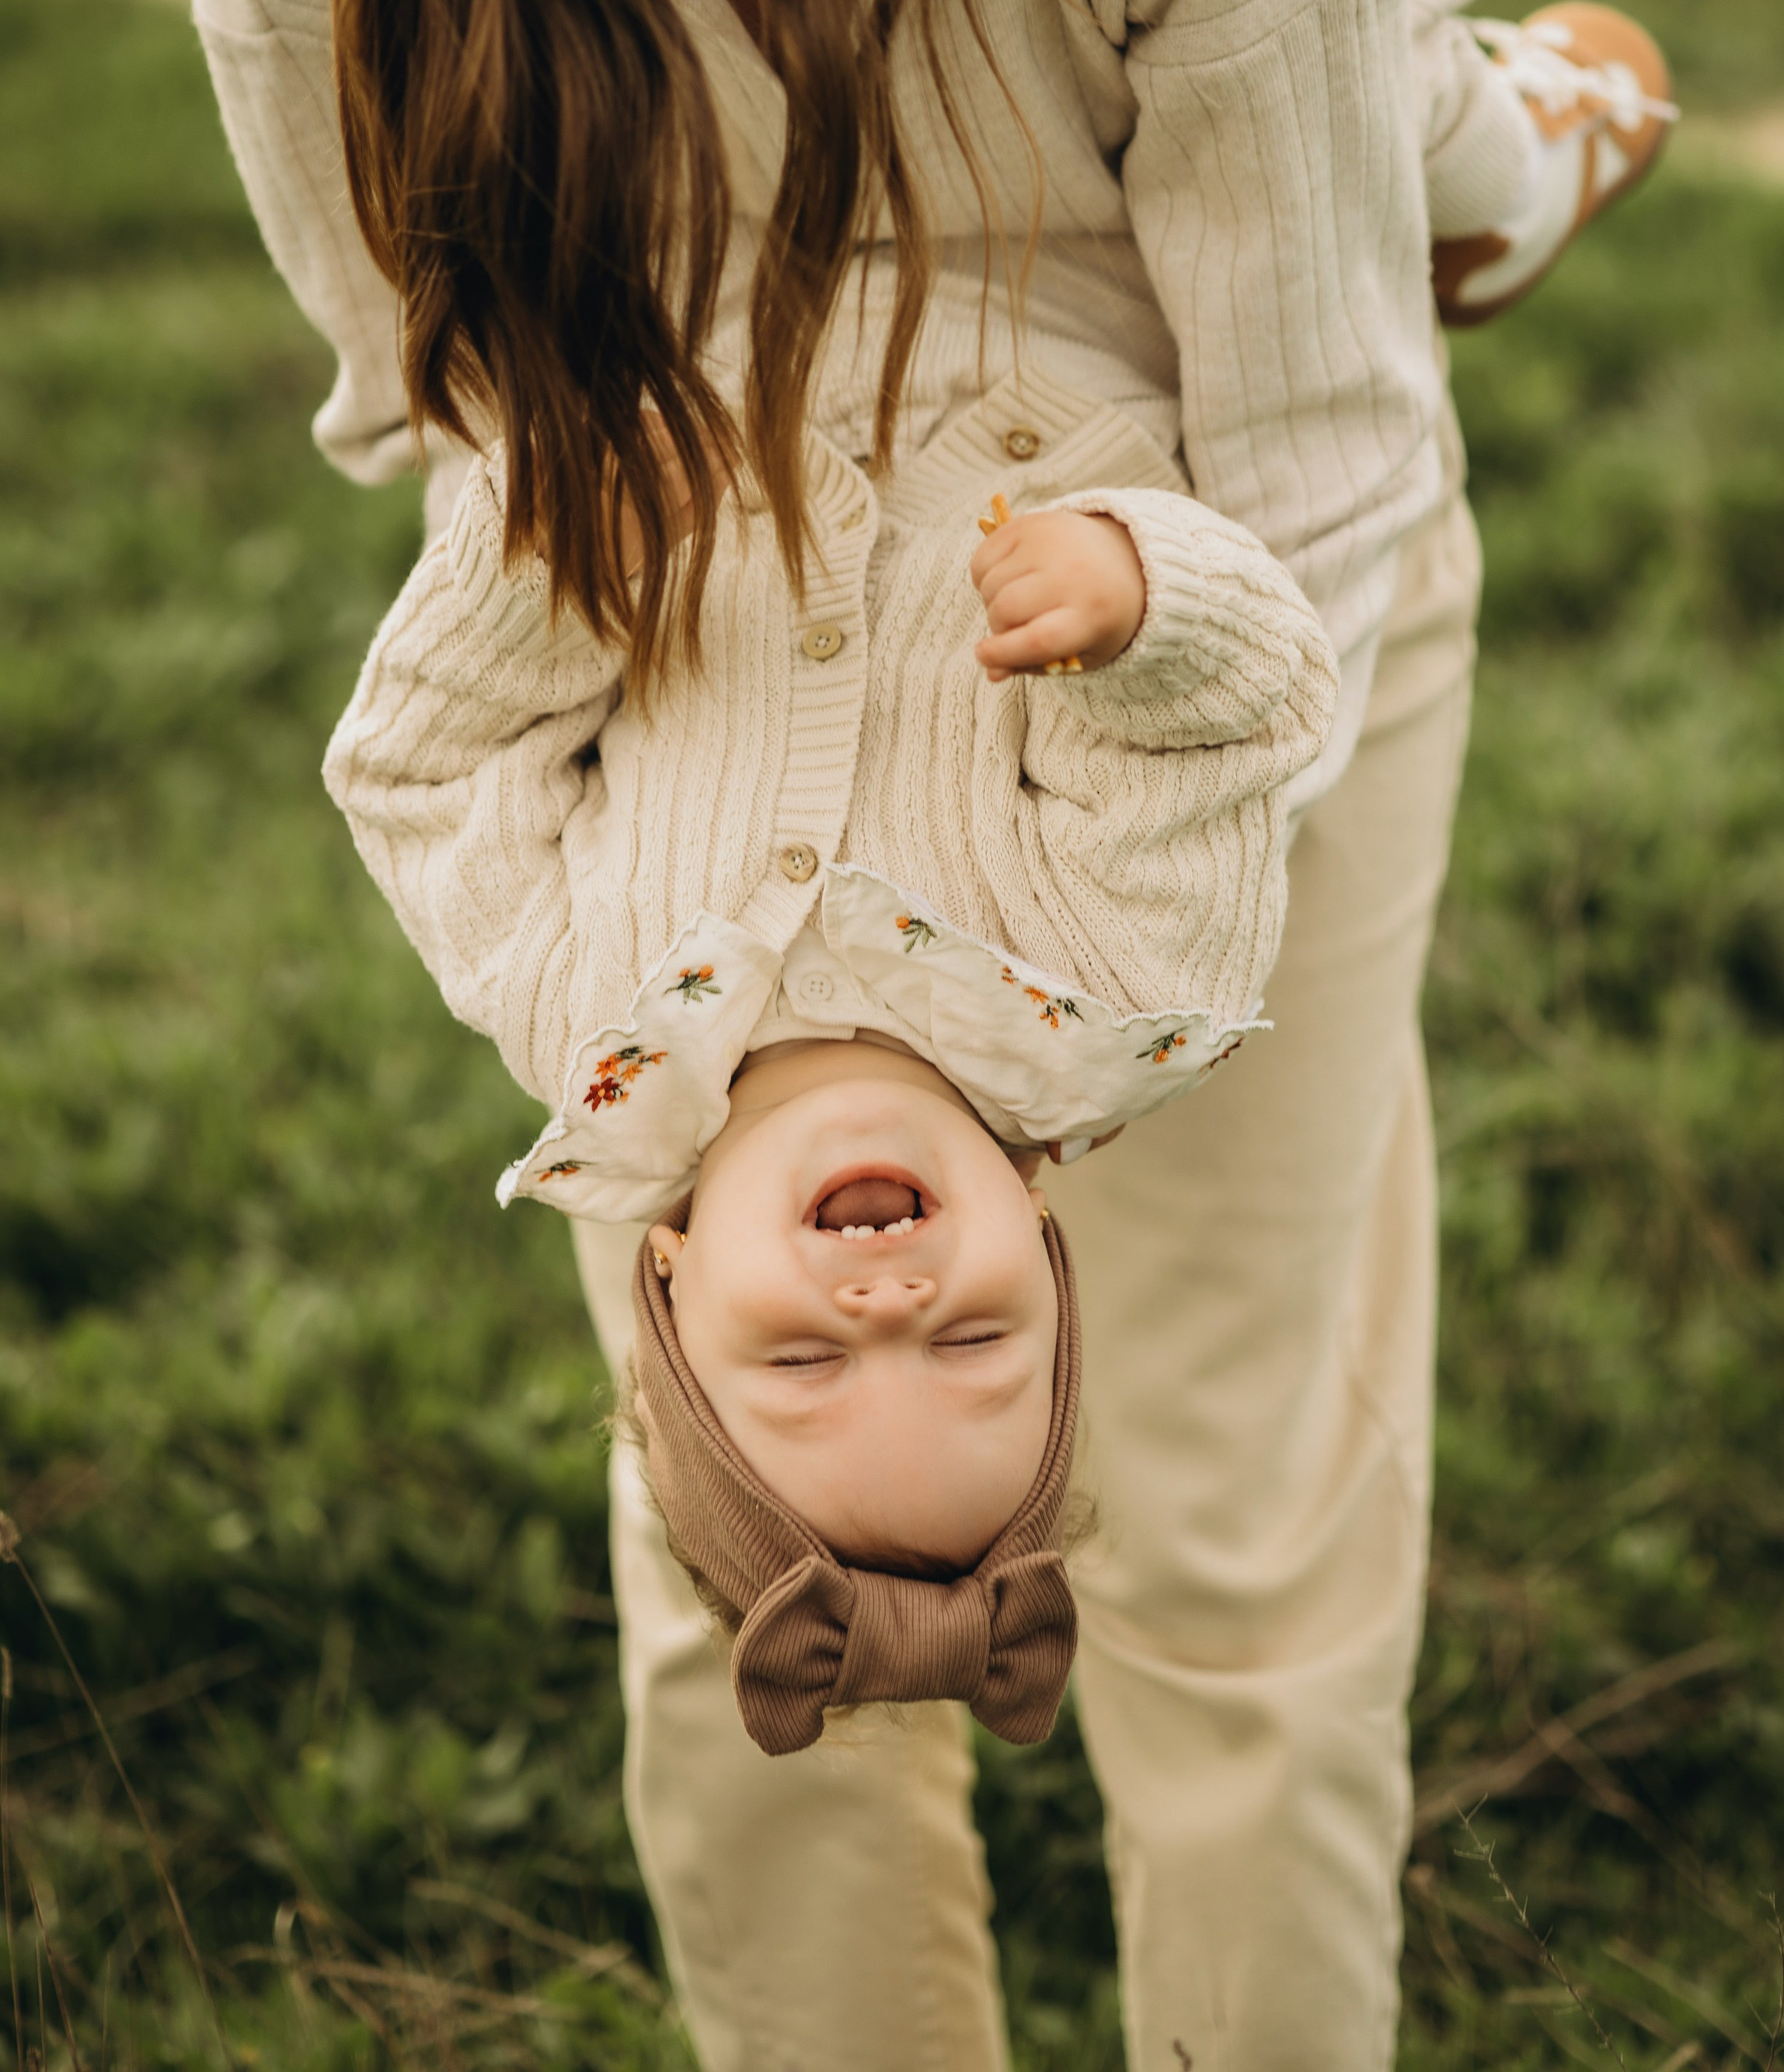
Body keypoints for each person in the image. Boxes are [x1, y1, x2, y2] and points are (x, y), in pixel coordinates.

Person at [162, 0, 1671, 2059]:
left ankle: (1487, 130)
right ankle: (1470, 131)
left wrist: (1064, 975)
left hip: (1199, 537)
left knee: (1226, 1535)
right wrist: (684, 923)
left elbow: (1319, 471)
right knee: (755, 1532)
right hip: (698, 579)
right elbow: (432, 391)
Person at [322, 412, 1337, 1746]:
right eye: (973, 1342)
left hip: (676, 379)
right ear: (1043, 1247)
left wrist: (555, 562)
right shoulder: (1128, 977)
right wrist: (1141, 607)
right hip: (1018, 351)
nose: (890, 1302)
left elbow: (420, 774)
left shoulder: (574, 1016)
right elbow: (1246, 729)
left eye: (805, 1358)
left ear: (671, 1281)